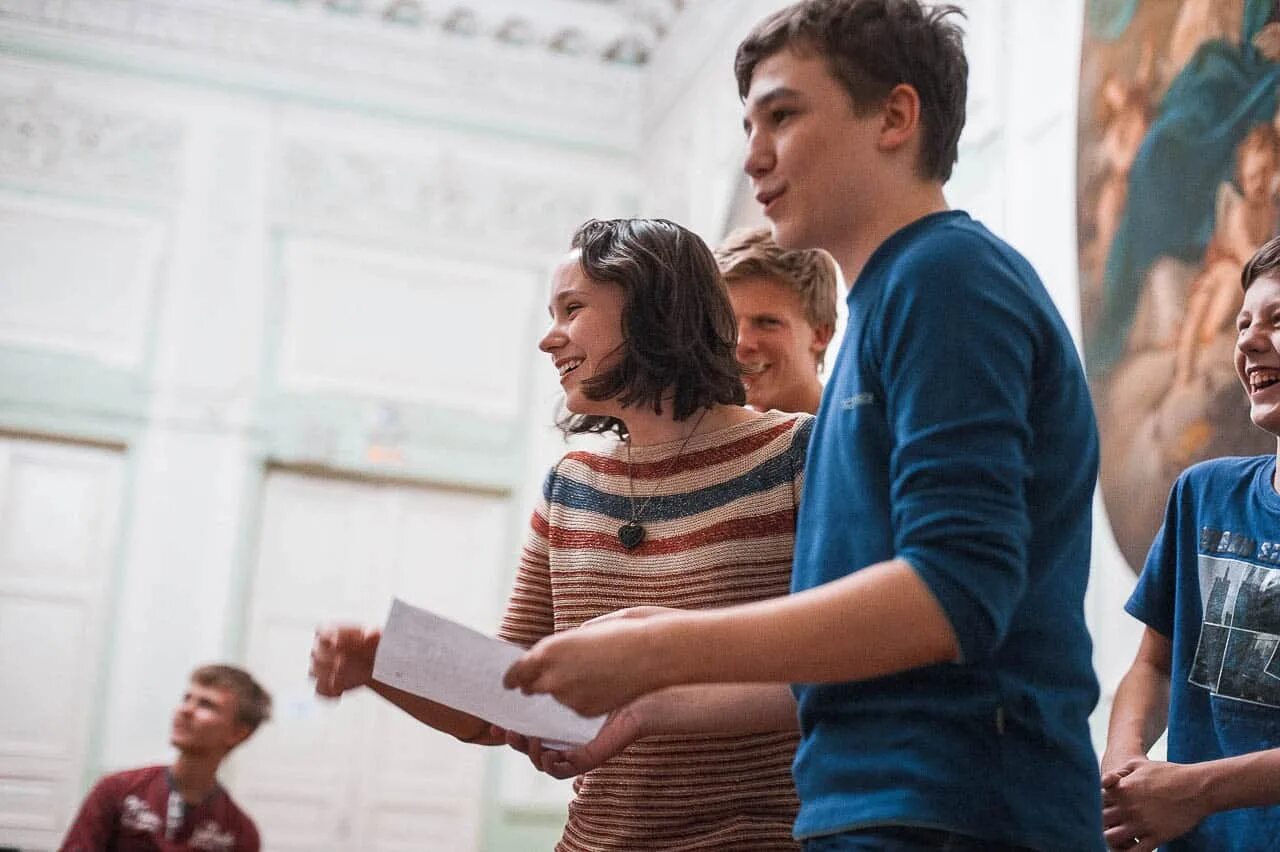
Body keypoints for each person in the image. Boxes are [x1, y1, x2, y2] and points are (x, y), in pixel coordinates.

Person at [502, 2, 1104, 850]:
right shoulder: (891, 304)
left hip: (959, 806)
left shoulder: (949, 278)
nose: (752, 156)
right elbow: (843, 659)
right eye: (749, 124)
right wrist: (647, 700)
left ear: (896, 115)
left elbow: (954, 593)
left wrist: (659, 647)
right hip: (876, 804)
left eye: (782, 115)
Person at [310, 217, 813, 851]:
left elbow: (847, 670)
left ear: (655, 310)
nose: (549, 340)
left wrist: (652, 699)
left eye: (572, 309)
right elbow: (509, 695)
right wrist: (381, 665)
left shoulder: (798, 455)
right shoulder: (569, 486)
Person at [1101, 235, 1280, 852]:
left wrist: (1193, 790)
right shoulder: (1203, 495)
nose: (1250, 341)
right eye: (1243, 324)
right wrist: (1124, 770)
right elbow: (1152, 664)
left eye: (1278, 320)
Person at [60, 664, 271, 852]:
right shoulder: (117, 790)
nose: (186, 710)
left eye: (206, 705)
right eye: (187, 698)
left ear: (238, 733)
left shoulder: (239, 832)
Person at [716, 226, 838, 414]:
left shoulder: (855, 438)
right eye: (727, 323)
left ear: (820, 334)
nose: (740, 342)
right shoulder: (713, 434)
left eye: (767, 322)